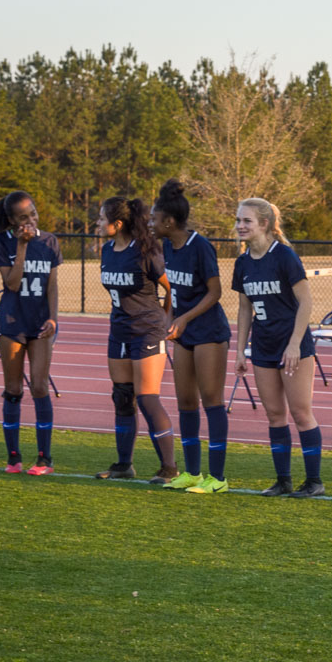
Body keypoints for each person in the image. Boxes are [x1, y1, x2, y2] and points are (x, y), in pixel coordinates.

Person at [232, 197, 325, 499]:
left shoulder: (284, 256)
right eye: (238, 220)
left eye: (246, 221)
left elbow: (306, 301)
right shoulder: (243, 262)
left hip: (292, 345)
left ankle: (314, 481)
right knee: (274, 414)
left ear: (264, 224)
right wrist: (240, 349)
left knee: (300, 413)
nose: (240, 226)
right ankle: (282, 479)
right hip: (263, 346)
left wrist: (295, 344)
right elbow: (245, 309)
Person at [148, 180, 232, 495]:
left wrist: (183, 318)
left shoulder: (200, 246)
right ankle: (193, 473)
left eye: (154, 219)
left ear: (169, 222)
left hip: (209, 331)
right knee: (185, 401)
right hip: (184, 333)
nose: (151, 224)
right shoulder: (166, 246)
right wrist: (169, 318)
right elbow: (172, 290)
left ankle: (218, 478)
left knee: (211, 400)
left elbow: (215, 293)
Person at [93, 196, 179, 484]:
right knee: (122, 397)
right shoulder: (107, 250)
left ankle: (169, 468)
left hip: (147, 331)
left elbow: (170, 289)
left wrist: (166, 322)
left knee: (147, 398)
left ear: (117, 224)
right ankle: (123, 465)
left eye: (102, 218)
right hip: (119, 331)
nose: (97, 222)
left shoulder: (145, 252)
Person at [0, 191, 61, 475]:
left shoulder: (50, 241)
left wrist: (54, 320)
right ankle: (14, 456)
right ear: (11, 221)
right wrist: (21, 247)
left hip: (40, 323)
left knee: (40, 387)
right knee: (14, 389)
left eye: (32, 213)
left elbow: (52, 286)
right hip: (12, 322)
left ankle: (44, 458)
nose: (30, 220)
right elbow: (13, 284)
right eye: (23, 218)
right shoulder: (0, 242)